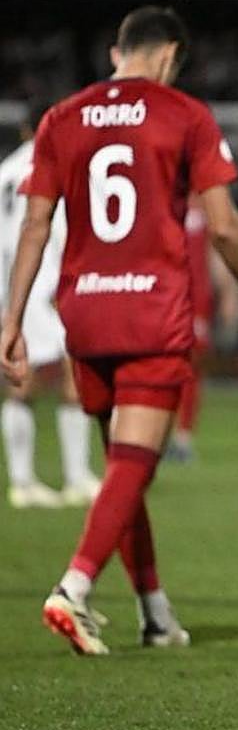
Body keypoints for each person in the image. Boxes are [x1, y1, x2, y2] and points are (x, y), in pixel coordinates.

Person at [1, 6, 238, 655]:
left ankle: (156, 615)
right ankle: (73, 588)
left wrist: (11, 320)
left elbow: (36, 226)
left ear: (115, 53)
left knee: (124, 470)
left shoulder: (61, 119)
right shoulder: (184, 115)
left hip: (86, 315)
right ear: (171, 55)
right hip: (151, 312)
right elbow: (226, 225)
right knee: (133, 467)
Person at [0, 102, 101, 508]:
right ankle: (76, 477)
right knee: (72, 374)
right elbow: (56, 233)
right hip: (43, 287)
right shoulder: (55, 166)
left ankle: (22, 482)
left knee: (19, 377)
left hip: (9, 288)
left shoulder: (4, 171)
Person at [163, 197, 238, 464]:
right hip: (162, 296)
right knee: (162, 365)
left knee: (191, 365)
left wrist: (228, 293)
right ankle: (158, 433)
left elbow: (217, 249)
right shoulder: (162, 202)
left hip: (196, 300)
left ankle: (182, 436)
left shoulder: (207, 205)